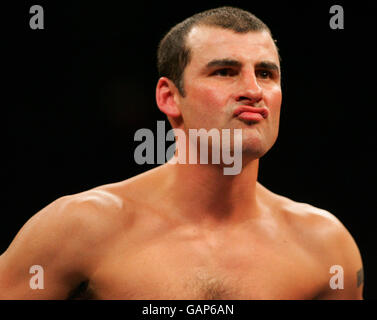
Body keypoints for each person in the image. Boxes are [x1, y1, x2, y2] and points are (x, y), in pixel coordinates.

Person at [0, 6, 364, 299]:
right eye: (225, 71)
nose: (254, 90)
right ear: (169, 97)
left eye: (267, 74)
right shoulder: (79, 227)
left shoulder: (325, 246)